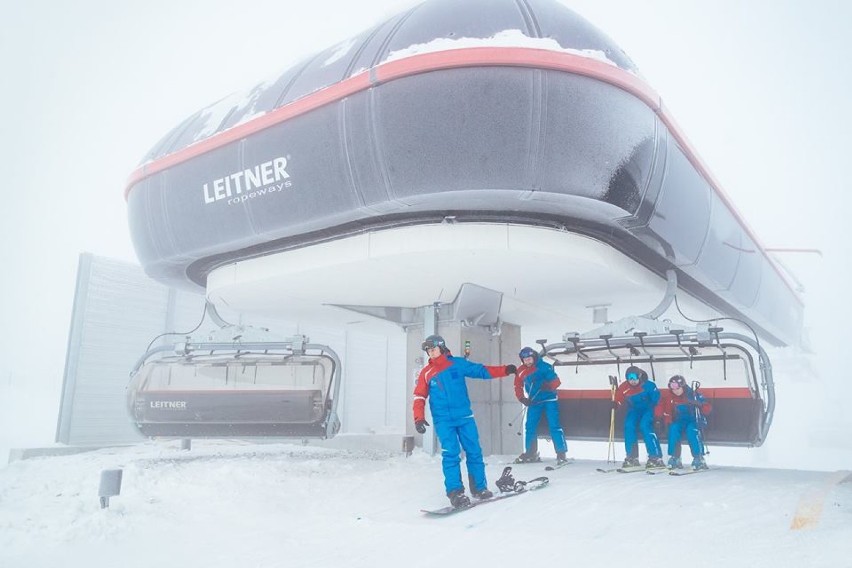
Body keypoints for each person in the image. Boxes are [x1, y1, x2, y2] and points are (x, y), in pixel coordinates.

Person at [412, 335, 517, 508]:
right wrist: (419, 418)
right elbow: (419, 396)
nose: (430, 352)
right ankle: (455, 493)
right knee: (451, 454)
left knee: (474, 451)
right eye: (428, 350)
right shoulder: (426, 373)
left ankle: (479, 488)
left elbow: (482, 371)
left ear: (441, 347)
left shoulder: (458, 364)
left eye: (433, 349)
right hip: (443, 421)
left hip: (465, 418)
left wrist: (505, 370)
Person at [513, 346, 568, 465]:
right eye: (525, 360)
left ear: (534, 358)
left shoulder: (544, 367)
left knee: (554, 425)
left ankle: (561, 453)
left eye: (529, 359)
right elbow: (518, 386)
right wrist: (522, 398)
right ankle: (530, 452)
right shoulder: (521, 371)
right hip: (534, 401)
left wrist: (548, 386)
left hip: (549, 399)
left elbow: (556, 381)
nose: (527, 362)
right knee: (530, 426)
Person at [656, 375, 712, 470]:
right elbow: (661, 408)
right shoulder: (670, 398)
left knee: (692, 431)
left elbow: (708, 409)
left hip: (694, 420)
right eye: (674, 389)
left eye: (678, 388)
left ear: (683, 386)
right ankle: (675, 457)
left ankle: (698, 458)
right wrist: (659, 418)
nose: (676, 391)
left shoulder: (693, 395)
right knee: (673, 429)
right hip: (680, 421)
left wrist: (699, 404)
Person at [613, 365, 664, 468]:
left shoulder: (649, 386)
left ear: (639, 377)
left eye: (635, 378)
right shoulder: (624, 387)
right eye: (629, 378)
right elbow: (619, 397)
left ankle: (655, 457)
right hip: (634, 410)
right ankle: (632, 457)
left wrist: (658, 416)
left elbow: (658, 401)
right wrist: (615, 403)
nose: (632, 381)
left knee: (645, 426)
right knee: (629, 425)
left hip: (648, 409)